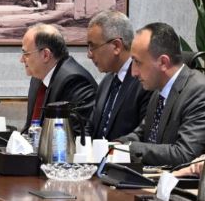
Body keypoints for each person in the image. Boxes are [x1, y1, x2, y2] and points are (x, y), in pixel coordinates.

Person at [118, 23, 205, 166]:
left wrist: (128, 148)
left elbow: (184, 154)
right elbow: (142, 133)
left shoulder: (199, 92)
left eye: (137, 62)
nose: (133, 72)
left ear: (163, 62)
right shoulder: (159, 89)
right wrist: (117, 144)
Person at [84, 10, 150, 140]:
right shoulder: (106, 81)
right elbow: (90, 128)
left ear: (116, 46)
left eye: (93, 47)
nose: (89, 55)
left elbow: (144, 134)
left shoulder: (144, 82)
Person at [20, 23, 96, 134]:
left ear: (46, 55)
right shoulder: (37, 78)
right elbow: (29, 128)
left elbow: (75, 135)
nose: (21, 60)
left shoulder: (75, 82)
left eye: (26, 54)